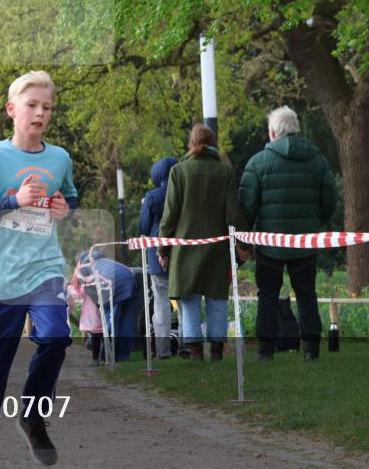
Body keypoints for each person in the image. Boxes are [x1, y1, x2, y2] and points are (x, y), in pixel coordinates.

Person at [0, 70, 78, 469]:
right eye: (32, 105)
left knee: (56, 338)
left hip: (44, 268)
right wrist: (13, 199)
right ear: (12, 110)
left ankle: (32, 415)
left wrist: (64, 208)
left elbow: (70, 196)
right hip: (2, 274)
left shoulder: (60, 158)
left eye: (47, 107)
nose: (40, 113)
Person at [239, 106, 337, 362]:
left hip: (269, 242)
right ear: (296, 130)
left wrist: (246, 237)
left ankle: (266, 350)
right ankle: (311, 349)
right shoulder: (317, 160)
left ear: (273, 132)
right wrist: (314, 223)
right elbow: (330, 200)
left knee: (267, 294)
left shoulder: (258, 162)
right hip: (305, 241)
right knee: (306, 293)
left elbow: (246, 206)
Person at [158, 124, 248, 362]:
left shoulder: (178, 171)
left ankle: (196, 352)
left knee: (189, 301)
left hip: (184, 249)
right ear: (213, 144)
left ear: (191, 143)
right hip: (217, 248)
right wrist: (244, 244)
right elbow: (234, 212)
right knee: (217, 299)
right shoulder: (225, 172)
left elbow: (170, 216)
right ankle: (216, 353)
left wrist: (163, 249)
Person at [139, 157, 178, 359]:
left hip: (157, 256)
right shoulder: (184, 193)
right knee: (184, 303)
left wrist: (144, 205)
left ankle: (163, 350)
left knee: (161, 304)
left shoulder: (153, 196)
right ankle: (188, 346)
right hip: (182, 255)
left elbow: (143, 227)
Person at [76, 249, 140, 361]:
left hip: (112, 285)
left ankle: (105, 355)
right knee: (127, 321)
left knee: (109, 323)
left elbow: (89, 290)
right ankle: (122, 355)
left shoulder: (83, 267)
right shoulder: (105, 260)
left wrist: (98, 306)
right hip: (131, 279)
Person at [67, 256, 103, 366]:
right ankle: (104, 358)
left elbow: (78, 295)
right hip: (102, 307)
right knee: (103, 334)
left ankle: (96, 360)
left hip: (92, 310)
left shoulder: (84, 277)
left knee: (96, 334)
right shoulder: (100, 271)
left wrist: (70, 288)